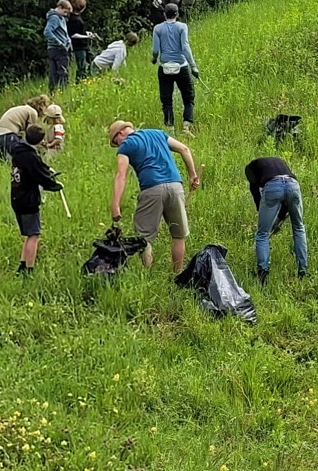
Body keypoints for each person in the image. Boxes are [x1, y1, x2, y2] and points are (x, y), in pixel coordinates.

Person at [108, 120, 200, 272]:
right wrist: (192, 175)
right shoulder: (158, 134)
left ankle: (148, 274)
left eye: (115, 142)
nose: (118, 145)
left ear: (120, 133)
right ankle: (177, 274)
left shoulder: (127, 144)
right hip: (175, 187)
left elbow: (121, 175)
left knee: (144, 238)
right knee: (179, 236)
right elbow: (184, 149)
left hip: (152, 189)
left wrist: (115, 204)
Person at [10, 125, 63, 275]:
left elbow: (39, 167)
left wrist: (47, 170)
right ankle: (29, 269)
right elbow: (40, 175)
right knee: (34, 235)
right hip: (28, 200)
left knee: (29, 234)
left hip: (17, 198)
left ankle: (22, 265)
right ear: (40, 141)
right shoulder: (30, 157)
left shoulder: (18, 151)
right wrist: (54, 185)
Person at [245, 156, 308, 283]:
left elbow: (254, 190)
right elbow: (286, 194)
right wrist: (280, 217)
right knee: (298, 228)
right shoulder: (280, 162)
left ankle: (262, 273)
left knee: (262, 233)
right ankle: (303, 270)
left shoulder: (249, 169)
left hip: (273, 186)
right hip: (293, 185)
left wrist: (262, 212)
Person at [152, 3, 198, 136]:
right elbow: (185, 47)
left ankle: (170, 129)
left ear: (164, 14)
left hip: (164, 67)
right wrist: (193, 66)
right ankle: (186, 127)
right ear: (177, 14)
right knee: (188, 98)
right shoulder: (182, 27)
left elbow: (155, 50)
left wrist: (154, 59)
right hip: (181, 66)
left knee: (166, 100)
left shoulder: (158, 29)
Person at [43, 0, 73, 93]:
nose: (65, 14)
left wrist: (69, 41)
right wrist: (60, 43)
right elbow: (47, 32)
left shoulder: (61, 18)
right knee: (62, 72)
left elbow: (64, 33)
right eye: (64, 12)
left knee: (54, 72)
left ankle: (52, 92)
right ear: (59, 7)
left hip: (55, 48)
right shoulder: (55, 18)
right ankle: (63, 92)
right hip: (58, 48)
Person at [66, 0, 98, 83]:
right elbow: (73, 35)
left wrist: (87, 33)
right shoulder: (73, 19)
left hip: (84, 45)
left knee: (93, 59)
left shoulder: (77, 17)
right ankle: (80, 82)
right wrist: (87, 36)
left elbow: (80, 31)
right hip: (78, 46)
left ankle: (91, 77)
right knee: (81, 65)